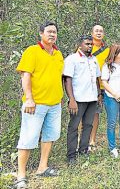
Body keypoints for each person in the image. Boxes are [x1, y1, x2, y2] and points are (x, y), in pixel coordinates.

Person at [14, 21, 63, 189]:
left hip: (55, 104)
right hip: (35, 104)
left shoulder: (58, 53)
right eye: (49, 31)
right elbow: (25, 75)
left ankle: (42, 167)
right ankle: (21, 175)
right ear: (41, 34)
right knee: (28, 139)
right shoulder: (32, 51)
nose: (52, 34)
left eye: (54, 32)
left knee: (50, 136)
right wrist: (29, 98)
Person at [63, 35, 101, 165]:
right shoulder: (71, 59)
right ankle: (71, 155)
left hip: (92, 98)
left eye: (91, 44)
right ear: (80, 45)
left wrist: (99, 94)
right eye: (87, 44)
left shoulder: (94, 59)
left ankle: (83, 150)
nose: (90, 46)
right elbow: (67, 80)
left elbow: (97, 79)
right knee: (74, 126)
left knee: (88, 125)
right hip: (78, 99)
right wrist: (71, 99)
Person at [89, 25, 110, 151]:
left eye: (101, 31)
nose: (99, 33)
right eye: (96, 31)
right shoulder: (86, 46)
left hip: (104, 85)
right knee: (85, 113)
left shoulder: (106, 49)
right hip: (90, 85)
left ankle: (92, 140)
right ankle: (83, 139)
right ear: (92, 33)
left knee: (96, 113)